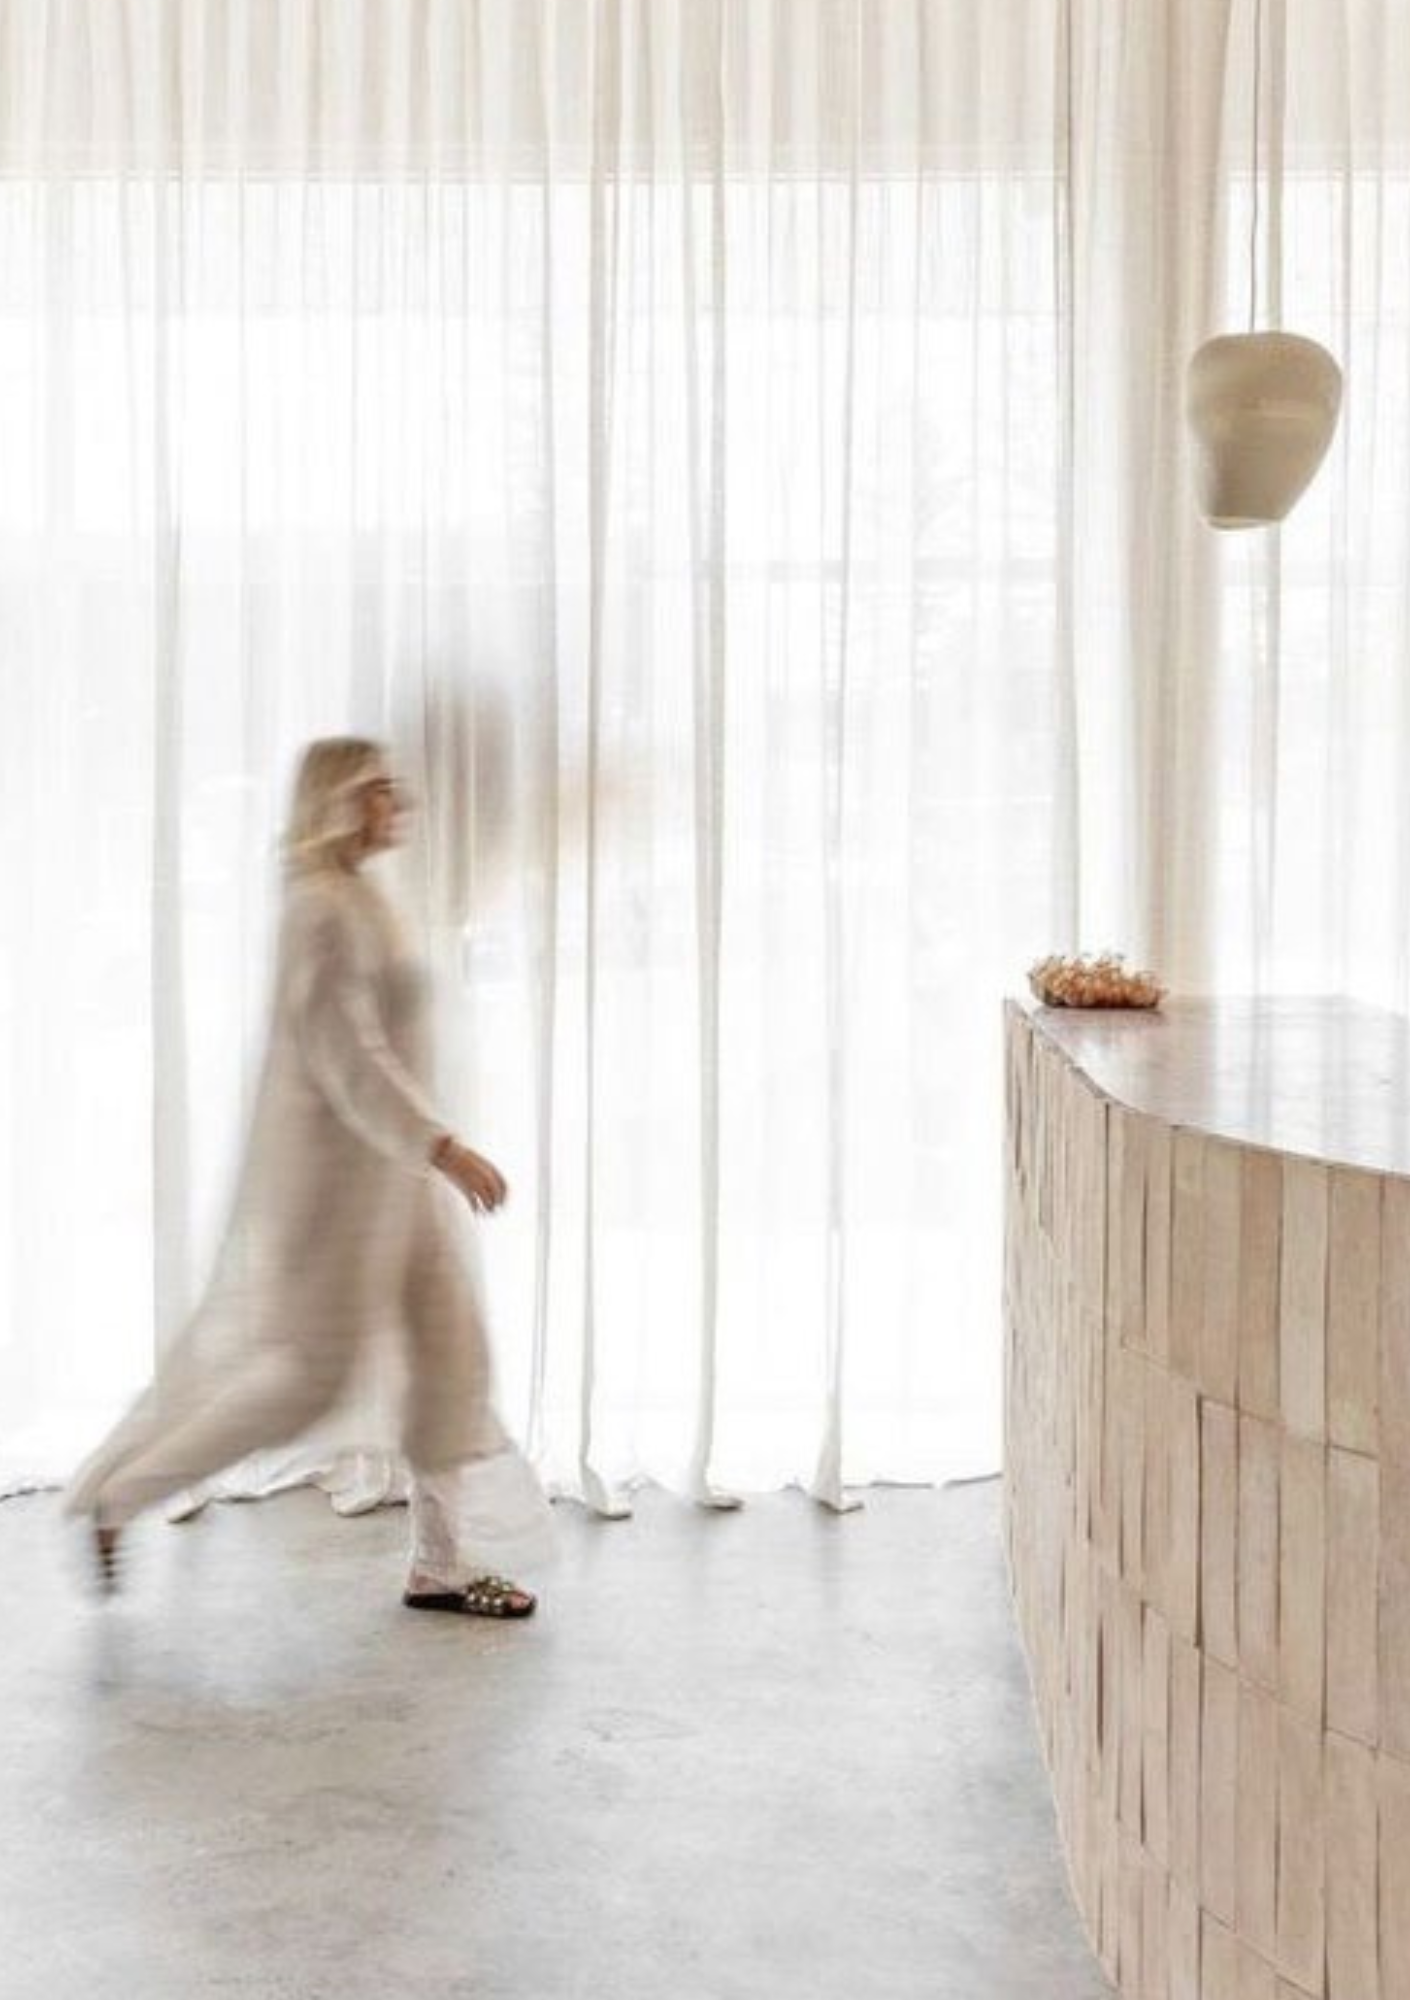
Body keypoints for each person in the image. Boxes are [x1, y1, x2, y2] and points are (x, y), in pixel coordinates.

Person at [67, 736, 550, 1619]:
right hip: (339, 1201)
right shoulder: (318, 908)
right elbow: (347, 1057)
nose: (393, 802)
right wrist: (445, 1148)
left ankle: (438, 1565)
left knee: (447, 1355)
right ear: (334, 801)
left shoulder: (366, 897)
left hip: (394, 1183)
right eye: (374, 790)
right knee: (304, 1385)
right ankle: (119, 1500)